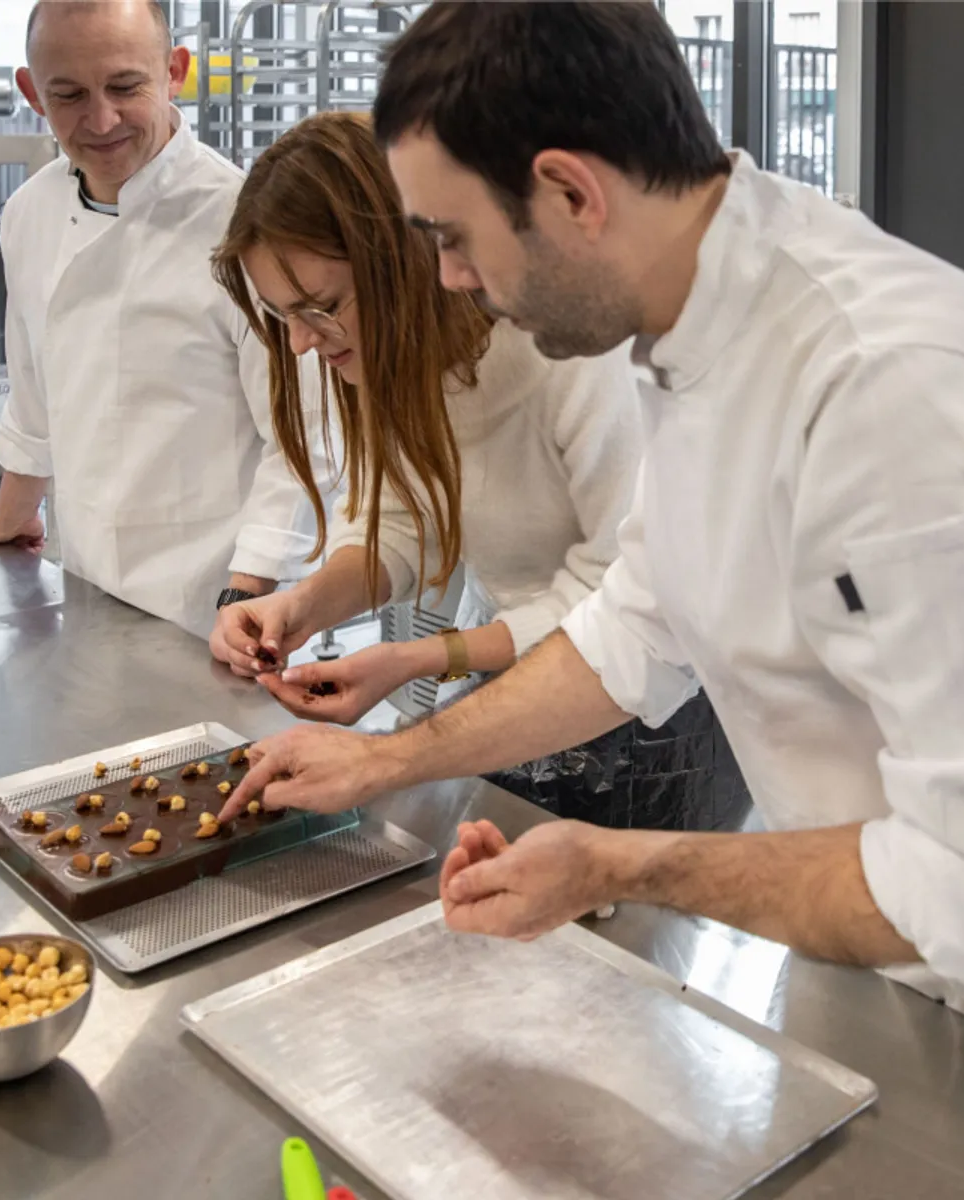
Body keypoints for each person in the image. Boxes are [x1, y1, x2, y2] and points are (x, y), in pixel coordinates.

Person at [222, 1, 964, 1132]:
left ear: (572, 193)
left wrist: (619, 866)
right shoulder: (686, 337)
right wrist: (383, 766)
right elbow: (636, 626)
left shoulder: (889, 394)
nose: (442, 279)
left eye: (451, 236)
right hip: (916, 990)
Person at [208, 111, 748, 833]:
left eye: (323, 307)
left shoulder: (570, 346)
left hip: (659, 723)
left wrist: (420, 658)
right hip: (523, 683)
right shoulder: (384, 355)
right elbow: (406, 520)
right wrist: (303, 607)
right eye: (286, 317)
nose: (304, 342)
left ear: (402, 260)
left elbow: (623, 603)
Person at [0, 0, 326, 638]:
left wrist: (241, 603)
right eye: (69, 95)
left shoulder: (241, 223)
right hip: (81, 586)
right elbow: (33, 396)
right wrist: (9, 521)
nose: (101, 119)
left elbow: (301, 440)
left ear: (174, 72)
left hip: (208, 606)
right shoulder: (29, 214)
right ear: (32, 93)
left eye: (124, 87)